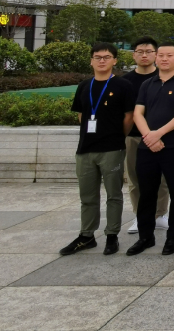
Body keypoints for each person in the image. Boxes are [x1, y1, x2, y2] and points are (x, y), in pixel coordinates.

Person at [60, 43, 137, 256]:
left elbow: (128, 117)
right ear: (91, 61)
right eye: (97, 57)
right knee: (87, 196)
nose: (102, 60)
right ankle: (86, 236)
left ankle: (112, 235)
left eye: (106, 57)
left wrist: (116, 137)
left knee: (113, 195)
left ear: (114, 60)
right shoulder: (84, 86)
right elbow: (81, 115)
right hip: (85, 149)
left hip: (112, 148)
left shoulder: (123, 85)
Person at [127, 42, 174, 256]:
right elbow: (138, 113)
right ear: (156, 58)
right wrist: (149, 136)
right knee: (146, 193)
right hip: (147, 148)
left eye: (169, 55)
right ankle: (145, 237)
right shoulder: (147, 84)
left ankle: (173, 238)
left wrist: (158, 133)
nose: (164, 59)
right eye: (161, 55)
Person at [122, 36, 169, 235]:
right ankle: (139, 215)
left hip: (161, 136)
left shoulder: (165, 77)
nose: (144, 55)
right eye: (140, 52)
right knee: (135, 179)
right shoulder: (125, 81)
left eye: (149, 52)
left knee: (162, 179)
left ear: (156, 55)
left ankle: (160, 214)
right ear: (133, 55)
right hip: (134, 136)